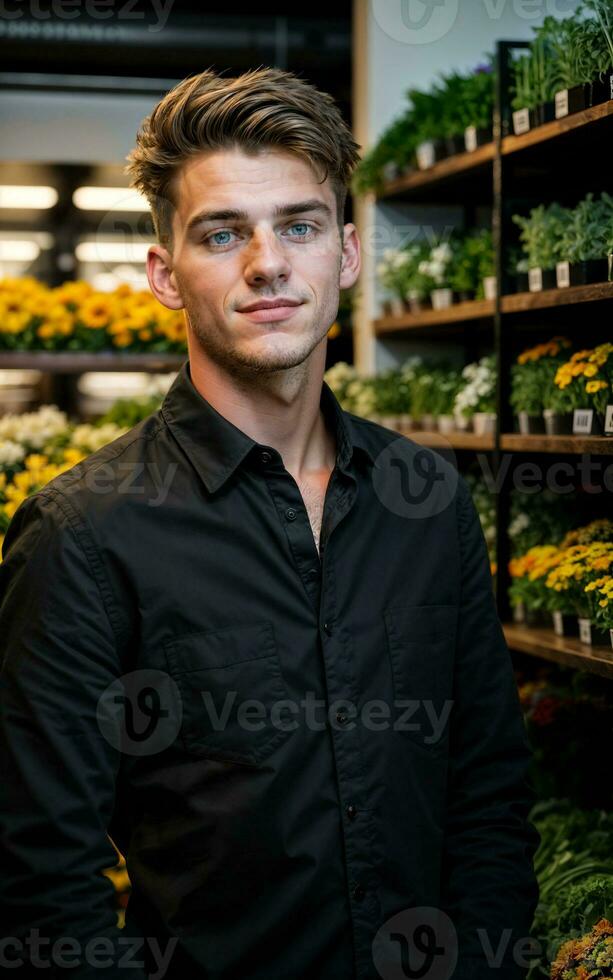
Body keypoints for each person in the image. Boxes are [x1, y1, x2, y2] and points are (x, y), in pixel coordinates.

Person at [0, 67, 540, 980]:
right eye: (222, 233)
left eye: (299, 224)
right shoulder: (82, 534)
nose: (268, 262)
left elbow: (485, 794)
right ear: (166, 276)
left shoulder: (428, 502)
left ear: (348, 252)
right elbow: (41, 878)